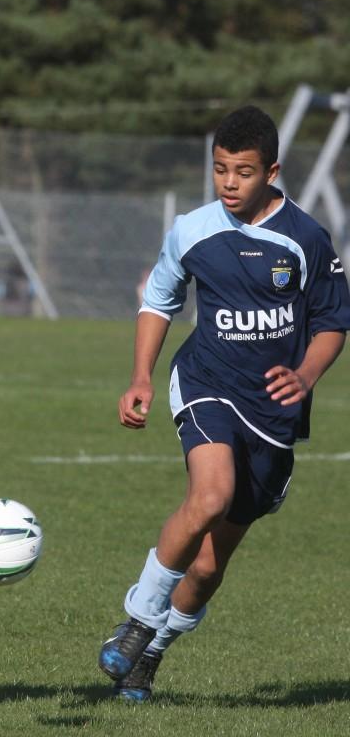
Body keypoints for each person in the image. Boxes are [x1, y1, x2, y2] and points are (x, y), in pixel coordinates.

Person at [99, 105, 350, 701]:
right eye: (219, 170)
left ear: (272, 171)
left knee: (209, 568)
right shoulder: (193, 230)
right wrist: (140, 375)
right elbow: (159, 300)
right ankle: (137, 621)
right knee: (208, 496)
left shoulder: (307, 238)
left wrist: (307, 373)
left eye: (242, 171)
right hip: (206, 381)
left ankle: (152, 653)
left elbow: (333, 321)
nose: (229, 183)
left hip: (274, 409)